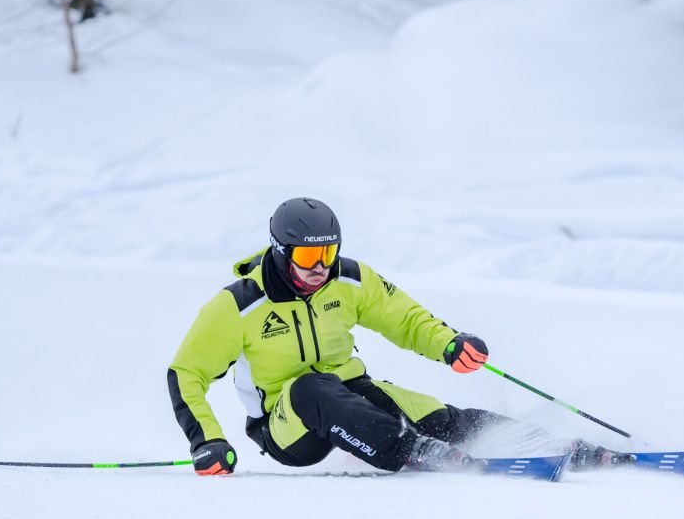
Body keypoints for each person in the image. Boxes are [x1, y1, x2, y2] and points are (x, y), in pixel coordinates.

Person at [167, 196, 510, 476]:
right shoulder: (238, 306)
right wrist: (206, 441)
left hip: (350, 395)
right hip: (285, 423)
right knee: (310, 388)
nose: (320, 267)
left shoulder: (349, 279)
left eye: (328, 253)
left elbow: (405, 319)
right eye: (307, 256)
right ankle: (413, 450)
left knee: (434, 415)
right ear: (281, 251)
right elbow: (186, 374)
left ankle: (545, 443)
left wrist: (449, 343)